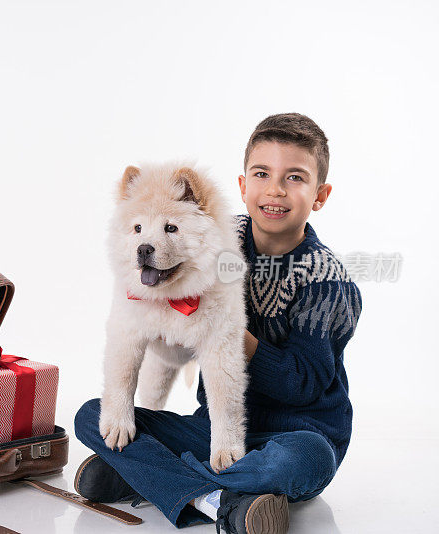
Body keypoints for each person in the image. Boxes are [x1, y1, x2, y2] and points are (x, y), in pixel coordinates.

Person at [74, 113, 362, 533]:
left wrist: (228, 333)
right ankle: (221, 499)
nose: (275, 190)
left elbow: (304, 385)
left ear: (320, 195)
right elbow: (150, 316)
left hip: (298, 435)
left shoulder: (325, 279)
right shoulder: (214, 235)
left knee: (302, 460)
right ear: (243, 186)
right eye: (262, 174)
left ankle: (154, 477)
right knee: (91, 416)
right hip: (213, 433)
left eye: (295, 178)